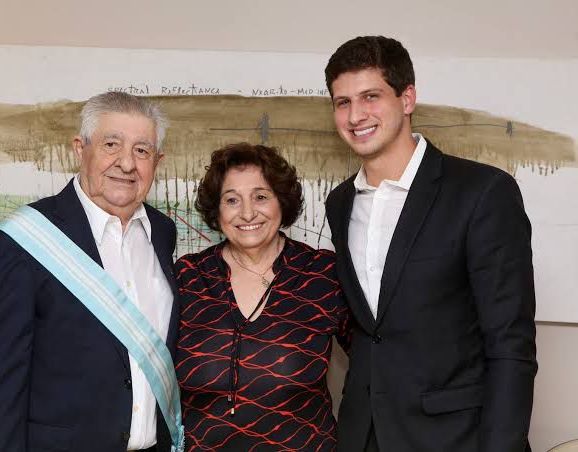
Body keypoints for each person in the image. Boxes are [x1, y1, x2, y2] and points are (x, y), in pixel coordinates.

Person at [324, 36, 537, 452]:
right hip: (363, 434)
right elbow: (372, 330)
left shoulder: (482, 191)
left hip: (457, 438)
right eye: (342, 102)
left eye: (371, 96)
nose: (355, 115)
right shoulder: (340, 202)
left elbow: (510, 344)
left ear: (407, 98)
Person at [0, 92, 182, 452]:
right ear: (80, 149)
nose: (127, 163)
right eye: (111, 144)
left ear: (157, 161)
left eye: (142, 151)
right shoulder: (24, 240)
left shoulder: (162, 233)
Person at [174, 142, 352, 451]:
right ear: (217, 210)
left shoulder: (322, 273)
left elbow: (376, 367)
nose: (246, 213)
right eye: (232, 199)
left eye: (260, 196)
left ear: (281, 202)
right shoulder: (188, 277)